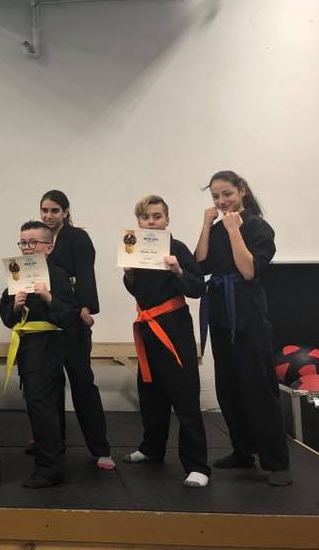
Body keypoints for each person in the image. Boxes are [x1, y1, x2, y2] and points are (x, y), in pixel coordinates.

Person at [195, 171, 291, 486]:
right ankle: (242, 451)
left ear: (242, 191)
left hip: (249, 315)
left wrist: (234, 230)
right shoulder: (217, 228)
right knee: (228, 387)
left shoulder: (258, 228)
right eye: (216, 197)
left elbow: (248, 270)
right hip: (221, 314)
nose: (222, 201)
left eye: (227, 194)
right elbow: (201, 265)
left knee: (258, 388)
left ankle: (277, 463)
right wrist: (206, 225)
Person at [121, 195, 210, 488]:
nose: (151, 222)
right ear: (139, 221)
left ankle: (197, 466)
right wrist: (129, 276)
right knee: (150, 391)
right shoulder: (134, 248)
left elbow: (197, 288)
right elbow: (138, 291)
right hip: (147, 328)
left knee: (184, 394)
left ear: (167, 219)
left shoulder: (178, 249)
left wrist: (178, 270)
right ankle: (152, 448)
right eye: (145, 217)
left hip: (174, 328)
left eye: (157, 216)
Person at [40, 190, 114, 469]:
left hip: (72, 315)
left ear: (66, 212)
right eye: (44, 210)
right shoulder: (40, 238)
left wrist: (85, 307)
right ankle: (52, 441)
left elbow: (85, 273)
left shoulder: (78, 238)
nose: (48, 215)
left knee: (83, 383)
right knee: (50, 386)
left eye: (54, 210)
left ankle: (101, 449)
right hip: (46, 319)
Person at [0, 221, 75, 488]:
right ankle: (51, 452)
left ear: (49, 247)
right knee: (38, 404)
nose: (27, 247)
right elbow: (7, 318)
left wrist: (48, 297)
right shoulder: (16, 273)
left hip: (48, 347)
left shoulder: (58, 275)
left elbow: (69, 316)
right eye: (23, 242)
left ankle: (49, 468)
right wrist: (15, 306)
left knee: (44, 406)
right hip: (27, 346)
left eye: (33, 242)